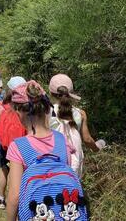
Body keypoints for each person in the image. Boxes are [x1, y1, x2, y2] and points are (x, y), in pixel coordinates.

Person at [6, 80, 76, 221]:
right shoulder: (62, 140)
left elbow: (14, 196)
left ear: (20, 112)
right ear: (47, 109)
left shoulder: (18, 146)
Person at [48, 74, 105, 177]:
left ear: (51, 93)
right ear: (70, 92)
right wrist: (97, 148)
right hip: (74, 162)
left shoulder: (47, 113)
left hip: (52, 161)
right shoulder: (80, 113)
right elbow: (87, 140)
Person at [0, 76, 26, 209]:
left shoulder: (2, 107)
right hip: (21, 145)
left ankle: (1, 198)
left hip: (5, 145)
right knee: (18, 173)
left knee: (4, 169)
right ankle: (19, 202)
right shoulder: (25, 109)